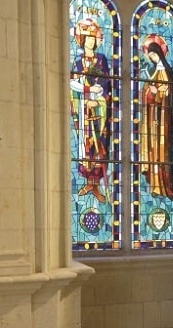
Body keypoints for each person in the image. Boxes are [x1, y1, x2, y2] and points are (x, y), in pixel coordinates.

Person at [70, 18, 111, 203]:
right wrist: (87, 91)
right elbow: (72, 83)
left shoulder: (101, 60)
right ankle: (88, 182)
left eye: (94, 38)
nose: (91, 41)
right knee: (85, 147)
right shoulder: (78, 62)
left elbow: (107, 84)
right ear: (81, 40)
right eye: (87, 38)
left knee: (99, 145)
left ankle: (97, 185)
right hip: (83, 111)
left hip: (100, 110)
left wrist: (98, 99)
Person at [139, 34, 173, 200]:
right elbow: (147, 91)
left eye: (154, 55)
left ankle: (165, 186)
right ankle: (155, 185)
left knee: (163, 153)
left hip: (163, 121)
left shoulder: (167, 72)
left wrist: (157, 92)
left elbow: (167, 94)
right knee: (153, 153)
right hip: (153, 121)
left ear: (160, 54)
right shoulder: (154, 73)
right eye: (151, 56)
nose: (153, 59)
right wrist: (149, 91)